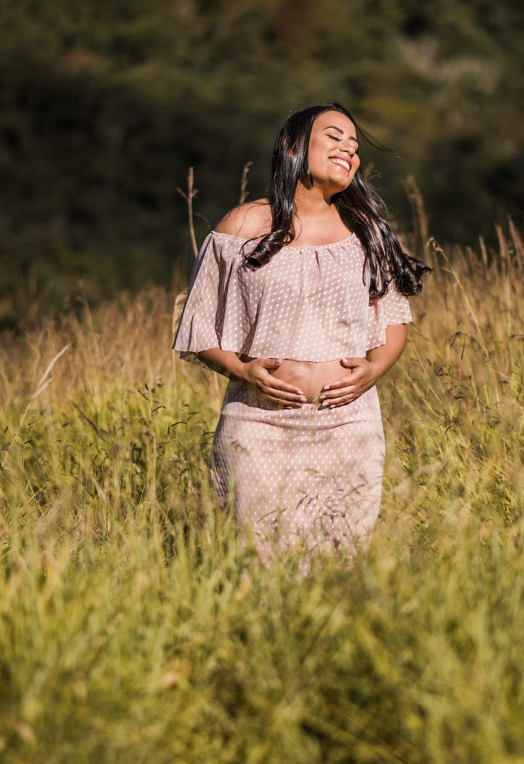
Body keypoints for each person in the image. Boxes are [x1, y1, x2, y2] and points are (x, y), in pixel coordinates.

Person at [172, 102, 428, 574]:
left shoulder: (366, 231)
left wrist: (374, 369)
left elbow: (394, 323)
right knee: (257, 562)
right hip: (259, 424)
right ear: (294, 146)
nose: (349, 150)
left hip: (349, 426)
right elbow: (199, 326)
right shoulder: (245, 225)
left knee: (339, 563)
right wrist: (242, 369)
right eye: (335, 138)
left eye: (354, 146)